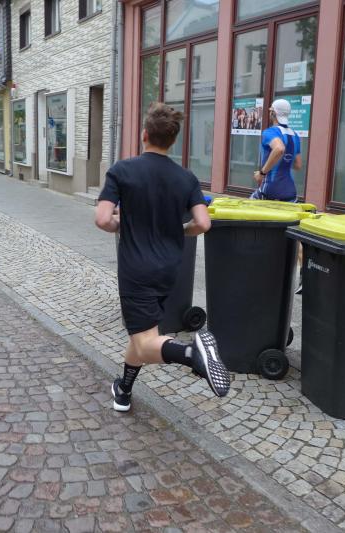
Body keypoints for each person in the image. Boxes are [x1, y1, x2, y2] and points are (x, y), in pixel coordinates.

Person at [95, 103, 231, 412]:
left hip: (136, 270)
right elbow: (203, 224)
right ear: (173, 140)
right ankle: (123, 390)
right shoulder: (186, 178)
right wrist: (181, 230)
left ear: (144, 135)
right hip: (169, 269)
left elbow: (103, 219)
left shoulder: (122, 170)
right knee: (143, 334)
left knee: (145, 343)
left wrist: (121, 224)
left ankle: (193, 355)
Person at [250, 98, 302, 202]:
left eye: (270, 111)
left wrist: (262, 173)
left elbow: (279, 148)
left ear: (273, 113)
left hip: (270, 190)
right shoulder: (295, 135)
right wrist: (284, 161)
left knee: (247, 208)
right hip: (290, 191)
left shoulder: (270, 132)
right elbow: (298, 165)